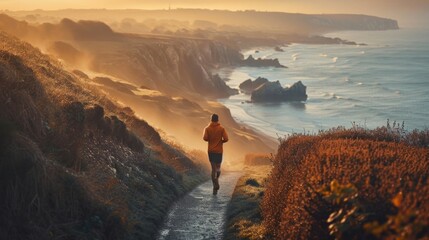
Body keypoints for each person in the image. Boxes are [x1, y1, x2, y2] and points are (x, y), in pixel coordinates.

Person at [203, 113, 228, 195]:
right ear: (218, 120)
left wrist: (211, 139)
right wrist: (221, 141)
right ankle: (216, 180)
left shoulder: (207, 128)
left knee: (213, 169)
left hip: (211, 151)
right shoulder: (221, 128)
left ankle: (215, 184)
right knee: (218, 169)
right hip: (219, 151)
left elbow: (205, 138)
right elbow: (226, 139)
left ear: (211, 119)